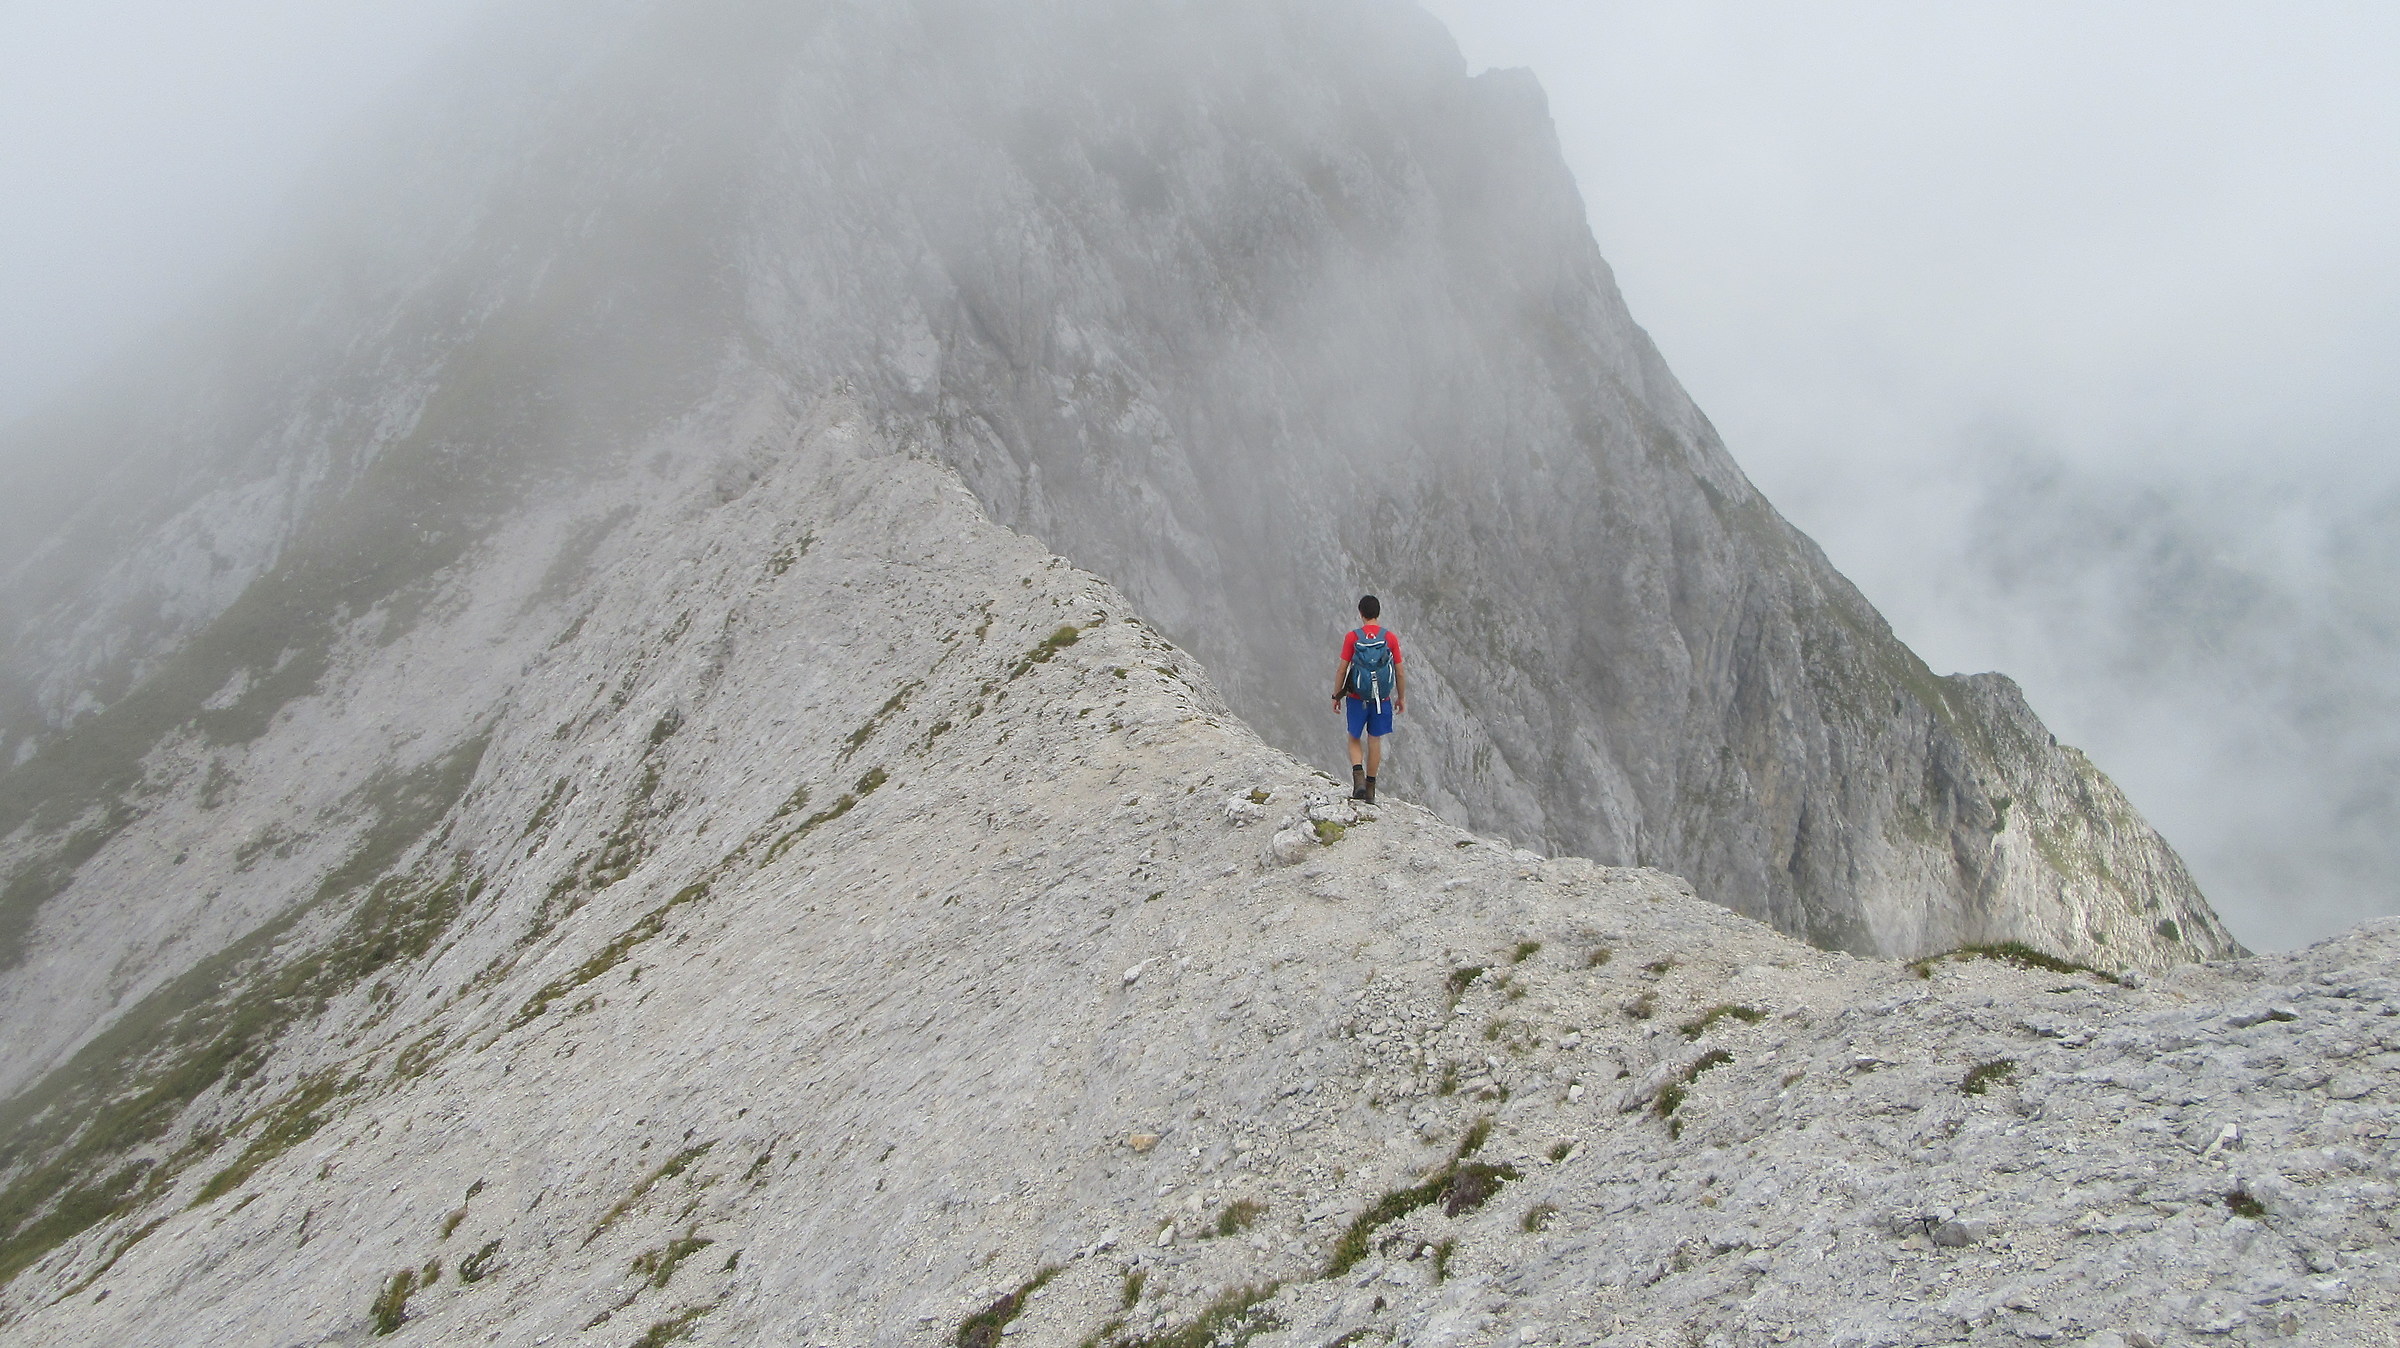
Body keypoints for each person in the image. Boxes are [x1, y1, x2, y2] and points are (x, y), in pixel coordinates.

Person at [1331, 594, 1405, 803]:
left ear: (1360, 613)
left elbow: (1342, 669)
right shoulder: (1389, 638)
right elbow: (1399, 672)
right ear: (1378, 613)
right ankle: (1370, 789)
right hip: (1381, 699)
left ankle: (1358, 780)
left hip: (1356, 697)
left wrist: (1336, 695)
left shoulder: (1353, 637)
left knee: (1354, 737)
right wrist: (1401, 697)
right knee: (1375, 741)